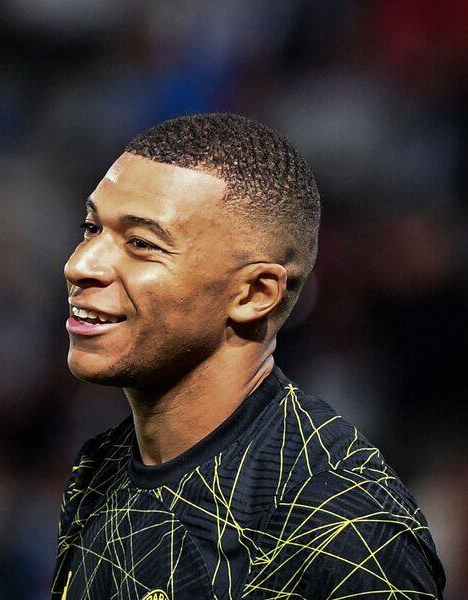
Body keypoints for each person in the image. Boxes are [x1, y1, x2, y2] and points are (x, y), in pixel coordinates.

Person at [52, 113, 445, 599]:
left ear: (255, 294)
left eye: (141, 244)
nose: (80, 264)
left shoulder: (345, 522)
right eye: (92, 228)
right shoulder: (98, 471)